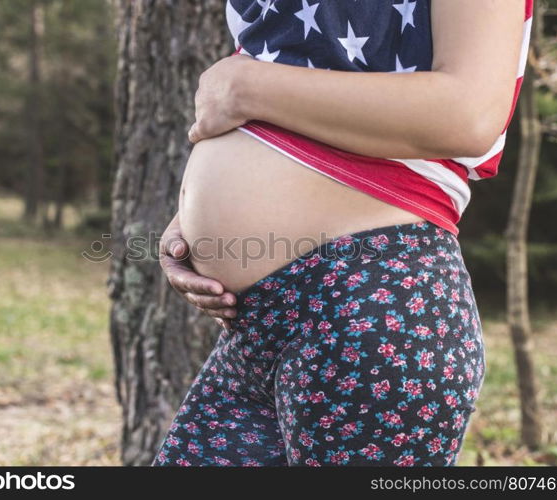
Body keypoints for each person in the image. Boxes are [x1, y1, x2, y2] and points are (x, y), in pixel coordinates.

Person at [152, 0, 533, 466]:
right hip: (253, 328)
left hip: (373, 304)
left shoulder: (244, 87)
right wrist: (194, 222)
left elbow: (470, 113)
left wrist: (243, 88)